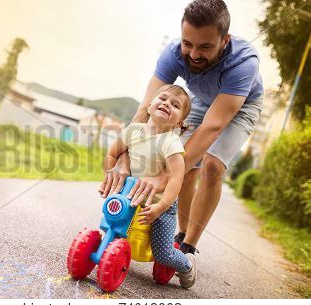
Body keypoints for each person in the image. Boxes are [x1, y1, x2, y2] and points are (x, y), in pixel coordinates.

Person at [99, 0, 263, 256]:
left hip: (240, 106)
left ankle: (189, 245)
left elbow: (213, 126)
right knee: (184, 168)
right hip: (201, 101)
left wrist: (165, 176)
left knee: (211, 164)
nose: (194, 54)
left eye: (205, 46)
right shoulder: (173, 53)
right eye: (189, 44)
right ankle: (180, 231)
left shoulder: (244, 62)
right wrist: (123, 157)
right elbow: (146, 110)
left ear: (224, 40)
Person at [99, 84, 197, 288]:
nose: (167, 104)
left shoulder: (171, 143)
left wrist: (160, 207)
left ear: (179, 121)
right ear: (150, 105)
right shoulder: (133, 131)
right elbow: (112, 154)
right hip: (130, 196)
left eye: (175, 104)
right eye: (163, 99)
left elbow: (176, 179)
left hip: (160, 206)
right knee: (111, 225)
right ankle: (107, 253)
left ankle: (186, 264)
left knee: (162, 252)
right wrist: (109, 178)